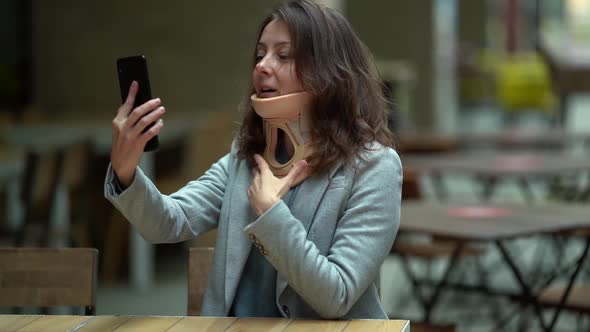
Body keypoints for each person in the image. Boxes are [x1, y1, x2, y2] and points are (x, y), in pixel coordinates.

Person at [105, 0, 402, 320]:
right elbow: (167, 222)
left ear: (329, 72)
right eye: (260, 55)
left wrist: (271, 214)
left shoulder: (374, 168)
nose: (262, 66)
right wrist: (125, 171)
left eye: (284, 55)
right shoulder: (245, 157)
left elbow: (336, 296)